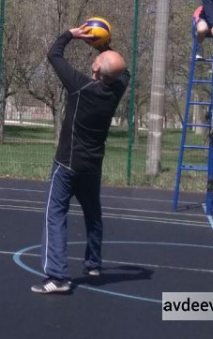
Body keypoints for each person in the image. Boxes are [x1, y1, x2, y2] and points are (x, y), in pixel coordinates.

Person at [32, 26, 129, 294]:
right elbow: (122, 69)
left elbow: (54, 54)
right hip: (92, 166)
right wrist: (103, 43)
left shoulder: (80, 87)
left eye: (96, 59)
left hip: (67, 164)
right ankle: (94, 263)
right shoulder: (117, 88)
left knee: (55, 215)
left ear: (97, 71)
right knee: (93, 214)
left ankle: (58, 277)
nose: (93, 60)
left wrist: (71, 34)